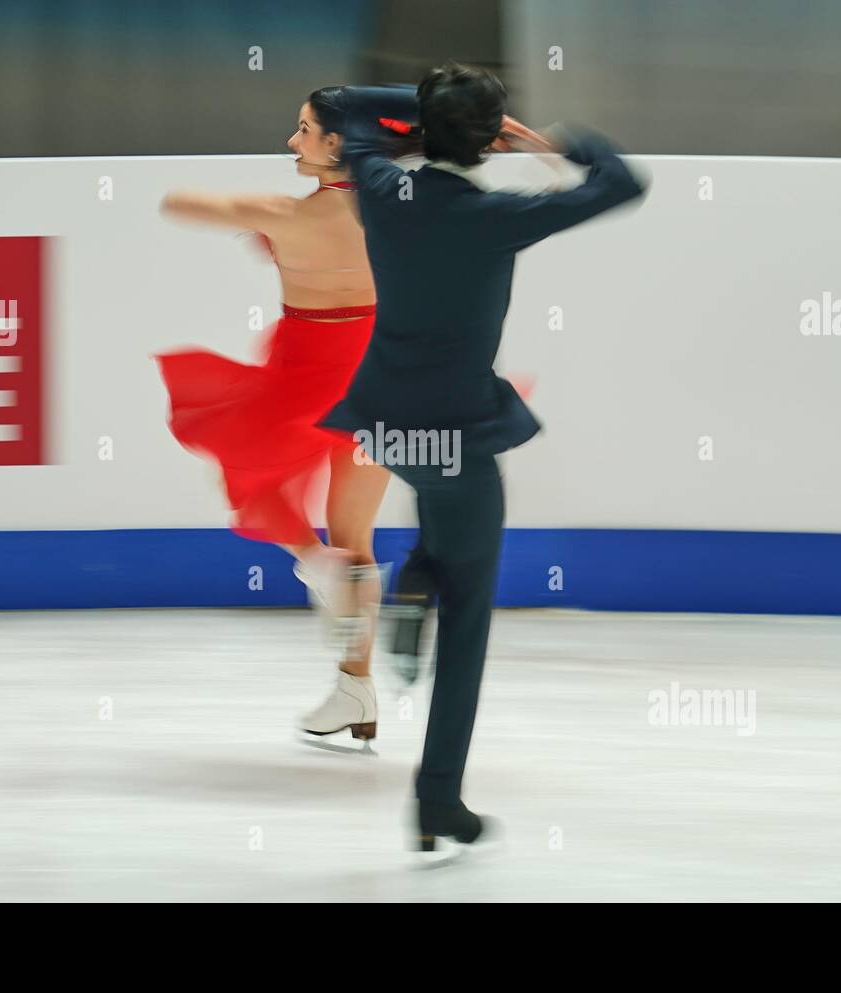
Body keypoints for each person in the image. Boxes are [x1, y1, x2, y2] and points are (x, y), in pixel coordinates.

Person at [320, 62, 648, 853]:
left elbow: (346, 107)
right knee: (469, 613)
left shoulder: (377, 183)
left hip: (390, 423)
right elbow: (620, 183)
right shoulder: (496, 213)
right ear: (488, 143)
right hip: (459, 430)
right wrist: (557, 141)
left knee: (444, 533)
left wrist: (429, 115)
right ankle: (439, 799)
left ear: (424, 133)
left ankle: (415, 576)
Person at [154, 87, 413, 747]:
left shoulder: (289, 214)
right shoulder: (404, 209)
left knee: (246, 473)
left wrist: (261, 220)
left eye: (304, 131)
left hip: (309, 380)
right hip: (382, 381)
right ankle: (355, 685)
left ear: (337, 144)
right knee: (357, 537)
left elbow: (176, 203)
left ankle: (312, 562)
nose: (292, 143)